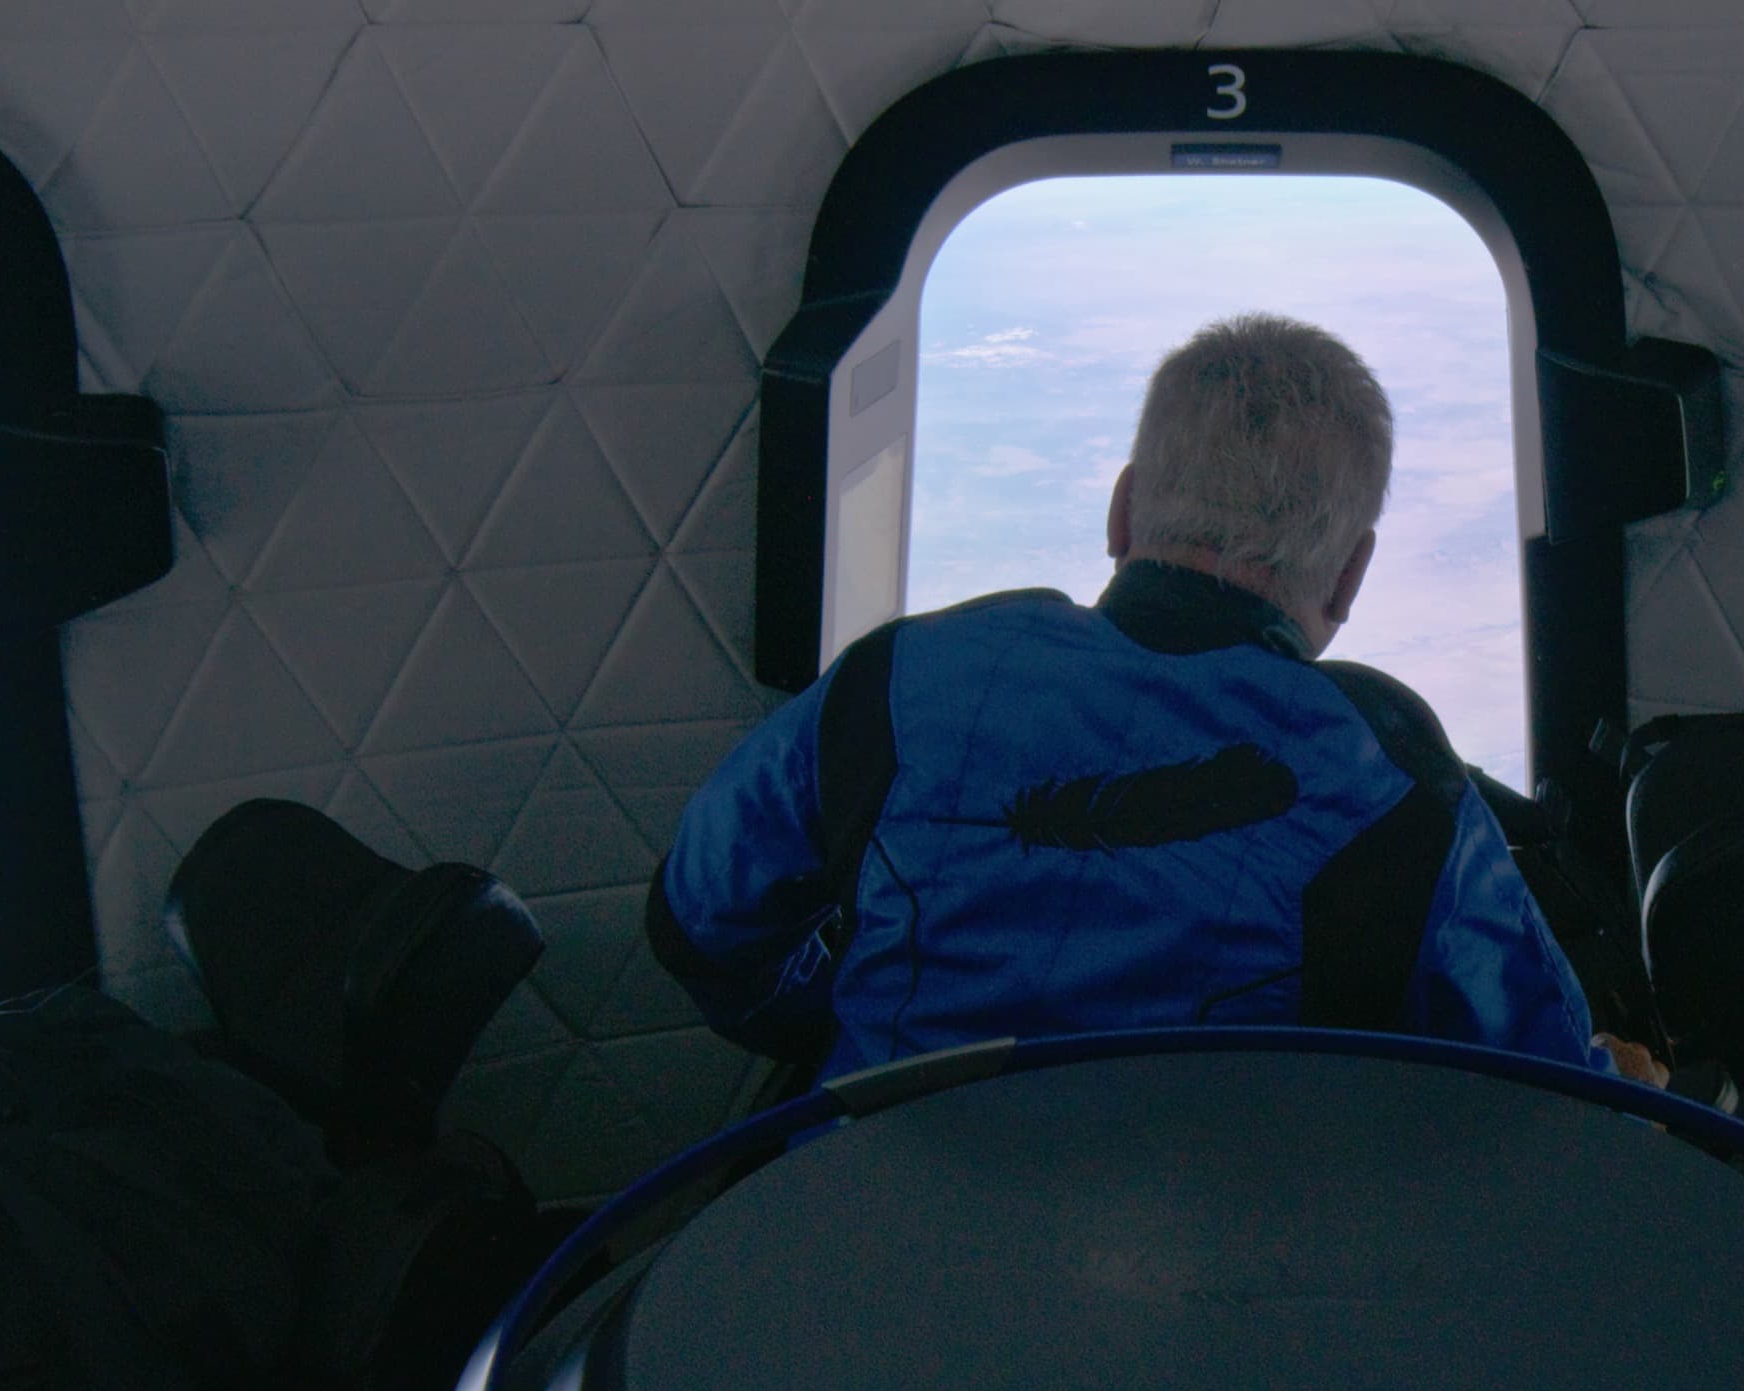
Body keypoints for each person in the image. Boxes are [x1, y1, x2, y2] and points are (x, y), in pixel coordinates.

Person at [649, 312, 1664, 1085]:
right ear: (1350, 577)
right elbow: (1544, 1075)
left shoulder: (892, 682)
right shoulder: (1391, 770)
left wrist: (843, 1020)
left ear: (1124, 506)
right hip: (1241, 1301)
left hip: (862, 1264)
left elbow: (698, 926)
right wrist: (1628, 1074)